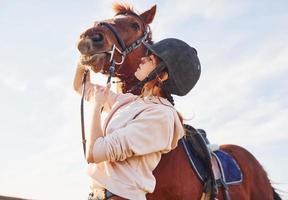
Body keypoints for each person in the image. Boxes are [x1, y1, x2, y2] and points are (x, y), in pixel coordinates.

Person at [73, 38, 201, 200]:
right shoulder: (131, 102)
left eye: (150, 59)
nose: (142, 59)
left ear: (162, 75)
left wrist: (97, 106)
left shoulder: (161, 116)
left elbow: (94, 153)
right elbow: (80, 86)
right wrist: (84, 56)